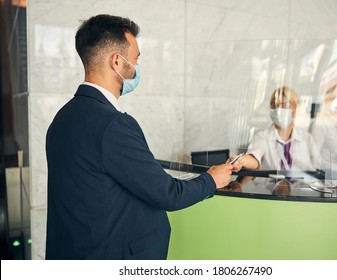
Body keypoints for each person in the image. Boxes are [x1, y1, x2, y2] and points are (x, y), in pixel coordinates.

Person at [45, 14, 233, 260]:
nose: (136, 68)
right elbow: (169, 194)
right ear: (116, 61)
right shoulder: (113, 124)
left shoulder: (61, 119)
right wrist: (211, 180)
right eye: (135, 59)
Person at [229, 86, 319, 173]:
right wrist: (241, 161)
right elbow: (254, 159)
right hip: (270, 187)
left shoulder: (307, 139)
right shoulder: (262, 136)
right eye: (274, 105)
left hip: (300, 187)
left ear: (295, 109)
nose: (278, 110)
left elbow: (317, 169)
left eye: (284, 106)